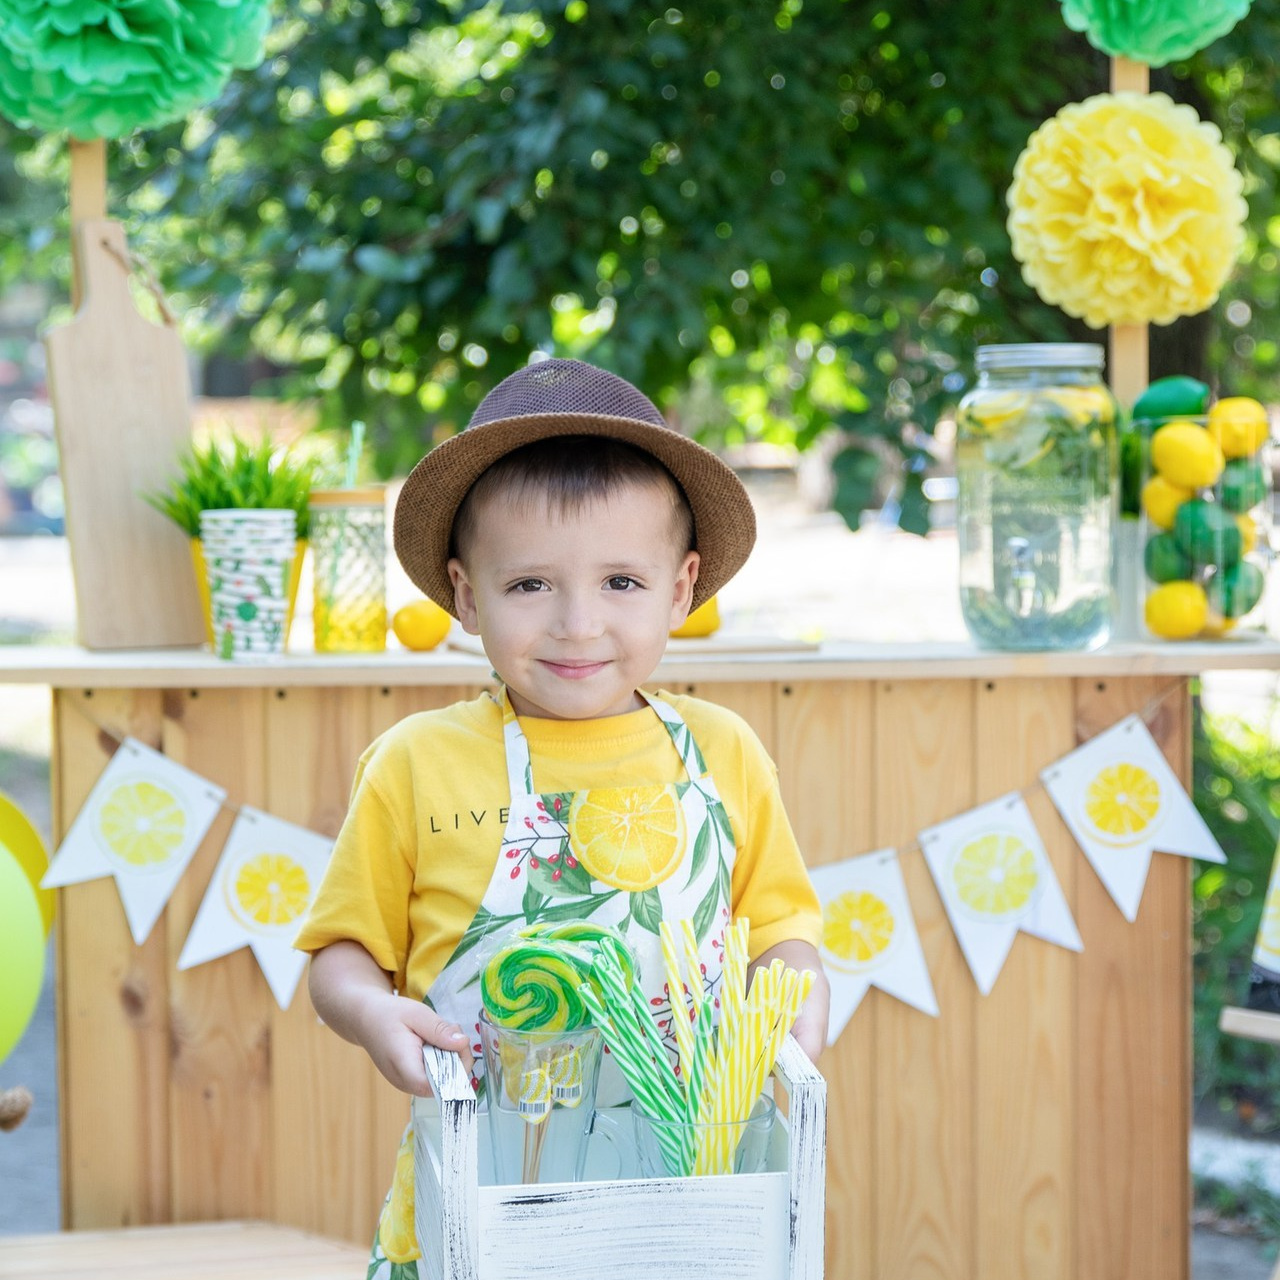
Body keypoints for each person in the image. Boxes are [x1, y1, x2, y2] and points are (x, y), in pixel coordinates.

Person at [295, 357, 830, 1276]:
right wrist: (372, 1016)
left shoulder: (724, 753)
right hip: (483, 1193)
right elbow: (342, 954)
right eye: (530, 586)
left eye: (622, 582)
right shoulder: (418, 763)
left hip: (696, 1193)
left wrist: (787, 1047)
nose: (579, 624)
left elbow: (784, 938)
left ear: (681, 586)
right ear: (467, 596)